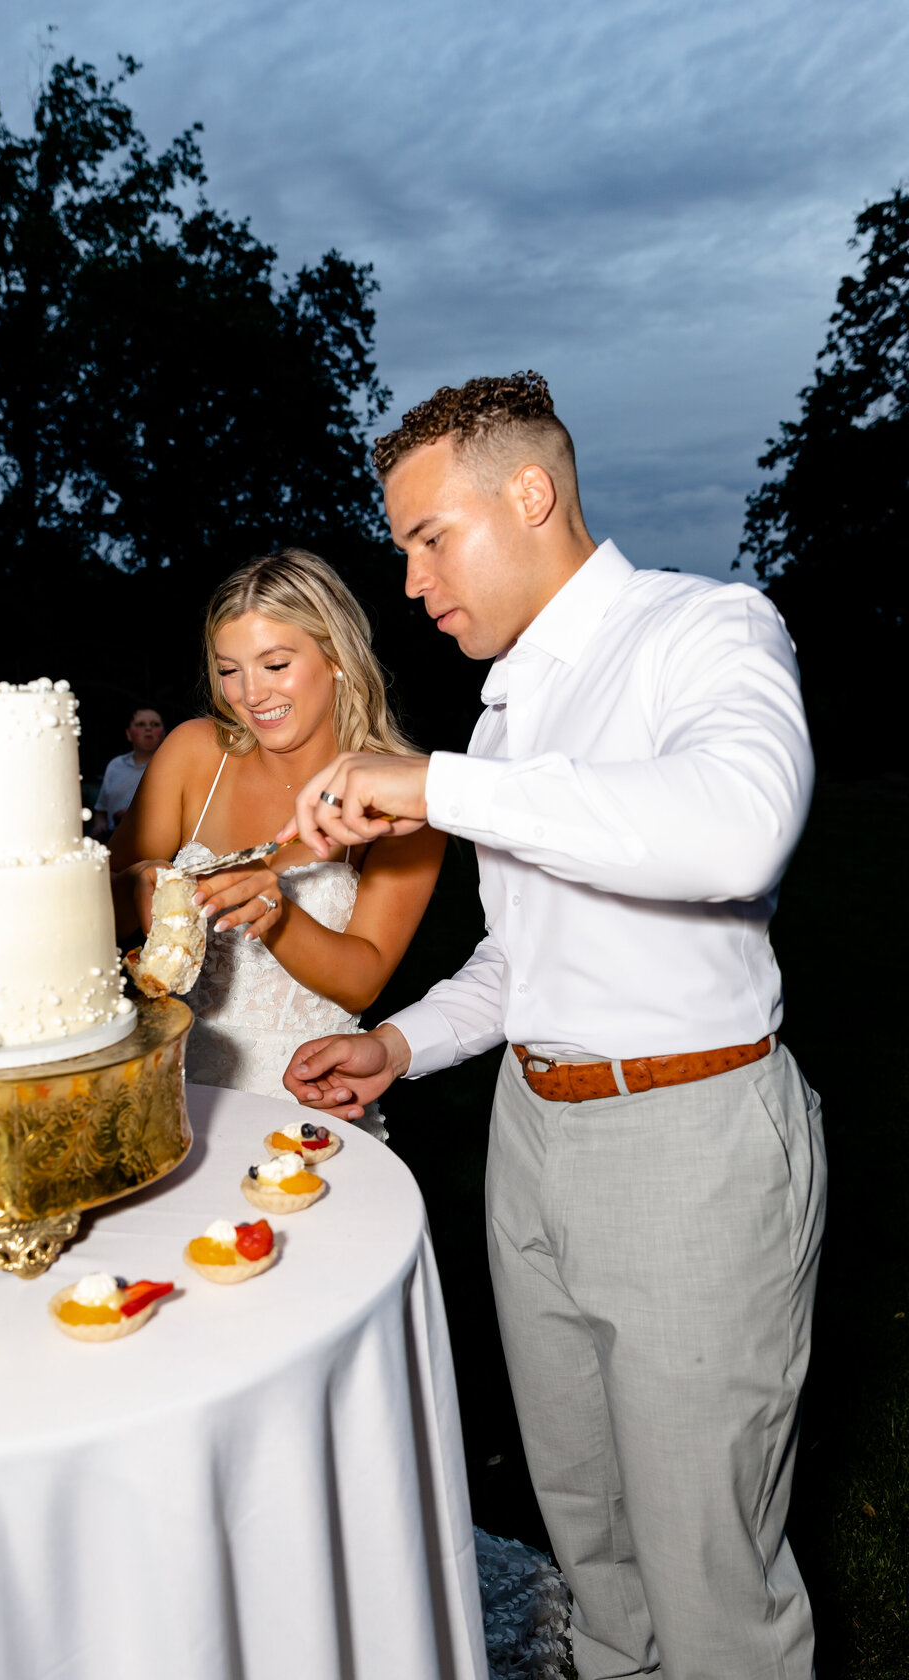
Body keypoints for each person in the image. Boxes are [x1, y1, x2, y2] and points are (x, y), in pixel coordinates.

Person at [280, 374, 824, 1679]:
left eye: (428, 538)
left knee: (708, 1567)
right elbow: (528, 961)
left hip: (689, 1143)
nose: (412, 582)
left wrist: (439, 784)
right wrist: (402, 1042)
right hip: (535, 1138)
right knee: (589, 1529)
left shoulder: (705, 630)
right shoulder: (508, 704)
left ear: (530, 494)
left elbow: (735, 827)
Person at [109, 549, 445, 1136]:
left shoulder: (403, 792)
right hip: (173, 1095)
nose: (250, 694)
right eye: (229, 669)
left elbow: (363, 976)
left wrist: (277, 916)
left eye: (275, 664)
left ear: (336, 657)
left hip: (306, 1106)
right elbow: (94, 914)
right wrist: (136, 888)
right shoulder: (192, 753)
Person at [90, 706, 166, 837]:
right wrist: (100, 825)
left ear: (163, 734)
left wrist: (134, 816)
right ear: (128, 734)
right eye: (140, 724)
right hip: (113, 840)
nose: (148, 728)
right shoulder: (115, 765)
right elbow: (101, 811)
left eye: (155, 724)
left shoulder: (169, 766)